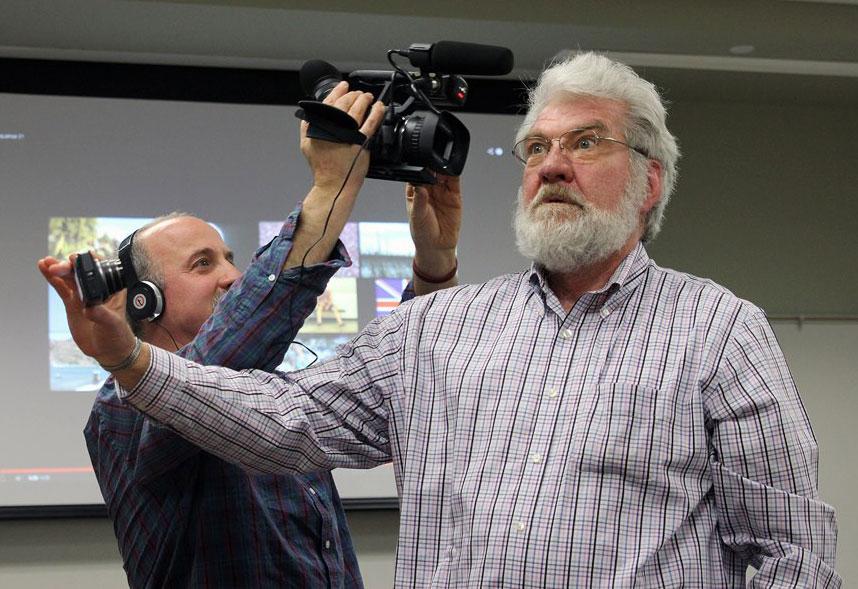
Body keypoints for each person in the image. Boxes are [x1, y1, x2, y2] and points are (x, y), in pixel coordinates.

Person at [48, 53, 839, 587]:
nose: (551, 164)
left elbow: (792, 554)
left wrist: (430, 262)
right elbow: (288, 417)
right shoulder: (444, 325)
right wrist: (135, 364)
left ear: (650, 179)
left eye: (585, 142)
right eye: (535, 147)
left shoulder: (717, 331)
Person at [38, 81, 461, 588]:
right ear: (144, 299)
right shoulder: (125, 411)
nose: (233, 277)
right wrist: (330, 189)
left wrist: (433, 264)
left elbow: (395, 369)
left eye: (230, 260)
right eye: (202, 264)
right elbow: (225, 351)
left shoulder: (273, 391)